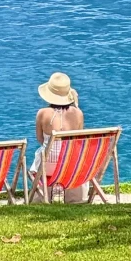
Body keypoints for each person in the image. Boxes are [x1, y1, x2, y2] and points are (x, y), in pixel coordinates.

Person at [33, 71, 85, 202]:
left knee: (41, 156)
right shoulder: (78, 114)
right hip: (70, 165)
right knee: (74, 154)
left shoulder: (42, 113)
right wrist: (76, 105)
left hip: (47, 166)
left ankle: (44, 194)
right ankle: (72, 196)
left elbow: (40, 139)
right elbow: (78, 141)